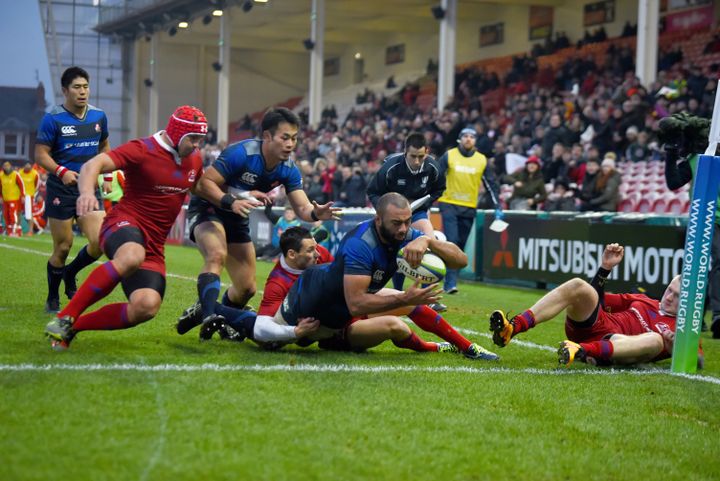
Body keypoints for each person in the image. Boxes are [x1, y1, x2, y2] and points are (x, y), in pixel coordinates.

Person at [240, 193, 499, 360]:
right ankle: (223, 313)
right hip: (319, 313)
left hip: (344, 304)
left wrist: (428, 241)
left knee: (407, 304)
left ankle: (467, 348)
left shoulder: (407, 234)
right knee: (396, 324)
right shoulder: (360, 246)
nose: (404, 229)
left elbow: (460, 260)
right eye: (397, 223)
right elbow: (357, 304)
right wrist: (404, 297)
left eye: (408, 222)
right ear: (379, 220)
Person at [43, 105, 208, 350]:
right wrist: (86, 193)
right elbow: (92, 165)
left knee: (146, 306)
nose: (197, 145)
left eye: (201, 140)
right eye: (193, 139)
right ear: (177, 133)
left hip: (153, 246)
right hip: (123, 223)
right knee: (132, 255)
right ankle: (65, 316)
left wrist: (232, 199)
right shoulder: (142, 149)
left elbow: (200, 188)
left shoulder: (194, 159)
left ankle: (71, 329)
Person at [182, 107, 340, 331]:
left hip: (237, 215)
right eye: (284, 138)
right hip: (211, 208)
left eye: (294, 138)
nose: (290, 144)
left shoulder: (289, 169)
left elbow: (303, 207)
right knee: (216, 254)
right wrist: (232, 200)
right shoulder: (241, 153)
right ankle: (209, 317)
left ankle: (207, 309)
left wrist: (316, 214)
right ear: (267, 136)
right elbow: (204, 184)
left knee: (246, 288)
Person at [196, 226, 457, 354]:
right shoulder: (278, 283)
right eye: (310, 251)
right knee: (270, 342)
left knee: (396, 299)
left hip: (347, 309)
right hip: (328, 330)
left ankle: (461, 346)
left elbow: (342, 282)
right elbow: (264, 328)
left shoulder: (319, 256)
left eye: (315, 248)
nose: (318, 254)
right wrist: (294, 331)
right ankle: (214, 310)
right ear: (291, 254)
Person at [489, 243, 703, 368]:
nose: (669, 297)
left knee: (656, 341)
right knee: (578, 286)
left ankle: (582, 351)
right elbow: (596, 299)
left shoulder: (685, 328)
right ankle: (513, 327)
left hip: (618, 343)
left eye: (677, 296)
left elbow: (699, 360)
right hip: (599, 326)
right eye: (670, 290)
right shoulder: (645, 300)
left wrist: (677, 348)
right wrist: (605, 269)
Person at [35, 66, 110, 313]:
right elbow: (40, 154)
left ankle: (70, 272)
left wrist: (106, 173)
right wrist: (61, 171)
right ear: (65, 90)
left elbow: (105, 147)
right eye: (77, 87)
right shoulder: (52, 118)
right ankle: (52, 297)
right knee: (63, 246)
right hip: (61, 189)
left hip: (88, 189)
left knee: (99, 242)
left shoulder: (99, 116)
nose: (82, 92)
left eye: (86, 87)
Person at [366, 131, 446, 297]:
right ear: (405, 153)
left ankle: (428, 297)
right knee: (399, 249)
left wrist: (426, 203)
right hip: (393, 216)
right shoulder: (390, 168)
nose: (417, 161)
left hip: (417, 212)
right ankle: (398, 291)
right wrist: (384, 212)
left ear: (427, 152)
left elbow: (439, 189)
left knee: (429, 243)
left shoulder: (433, 167)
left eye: (421, 156)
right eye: (412, 156)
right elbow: (372, 192)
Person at [437, 127, 493, 294]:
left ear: (475, 141)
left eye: (472, 137)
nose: (469, 139)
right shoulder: (449, 155)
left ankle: (449, 279)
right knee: (452, 240)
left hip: (469, 206)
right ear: (459, 139)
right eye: (465, 136)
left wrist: (497, 205)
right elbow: (437, 175)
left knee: (459, 247)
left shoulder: (482, 160)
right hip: (449, 203)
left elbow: (491, 183)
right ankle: (449, 282)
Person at [0, 162, 26, 236]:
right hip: (5, 199)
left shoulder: (15, 174)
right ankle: (9, 231)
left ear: (10, 166)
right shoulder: (1, 175)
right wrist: (1, 197)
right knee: (6, 215)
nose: (6, 167)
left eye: (7, 166)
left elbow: (22, 185)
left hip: (14, 198)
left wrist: (23, 196)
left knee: (13, 214)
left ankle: (15, 231)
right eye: (5, 166)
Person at [19, 162, 39, 235]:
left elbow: (36, 185)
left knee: (29, 214)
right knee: (19, 212)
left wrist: (32, 193)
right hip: (20, 195)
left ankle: (30, 230)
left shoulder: (35, 174)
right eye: (26, 165)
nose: (28, 167)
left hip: (29, 196)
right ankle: (18, 229)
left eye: (29, 165)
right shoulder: (19, 172)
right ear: (24, 166)